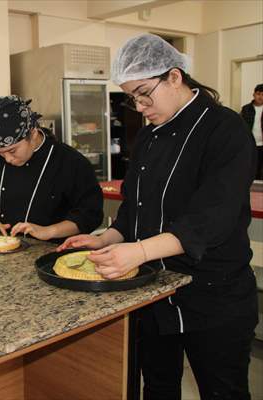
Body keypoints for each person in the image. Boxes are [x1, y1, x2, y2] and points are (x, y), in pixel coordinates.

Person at [59, 34, 258, 400]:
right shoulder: (149, 137)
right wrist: (105, 239)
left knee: (223, 391)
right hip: (154, 292)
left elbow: (210, 219)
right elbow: (134, 209)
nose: (139, 105)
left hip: (215, 298)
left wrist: (137, 252)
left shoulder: (225, 130)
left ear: (175, 76)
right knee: (159, 387)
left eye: (144, 92)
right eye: (132, 97)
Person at [0, 95, 103, 240]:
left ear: (33, 133)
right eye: (0, 153)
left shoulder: (70, 162)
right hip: (0, 248)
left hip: (52, 252)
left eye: (12, 151)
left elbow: (90, 213)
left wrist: (49, 231)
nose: (8, 159)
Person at [240, 83, 263, 180]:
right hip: (250, 144)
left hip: (262, 144)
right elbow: (242, 126)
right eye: (258, 94)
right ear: (254, 94)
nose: (261, 97)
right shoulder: (246, 109)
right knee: (251, 169)